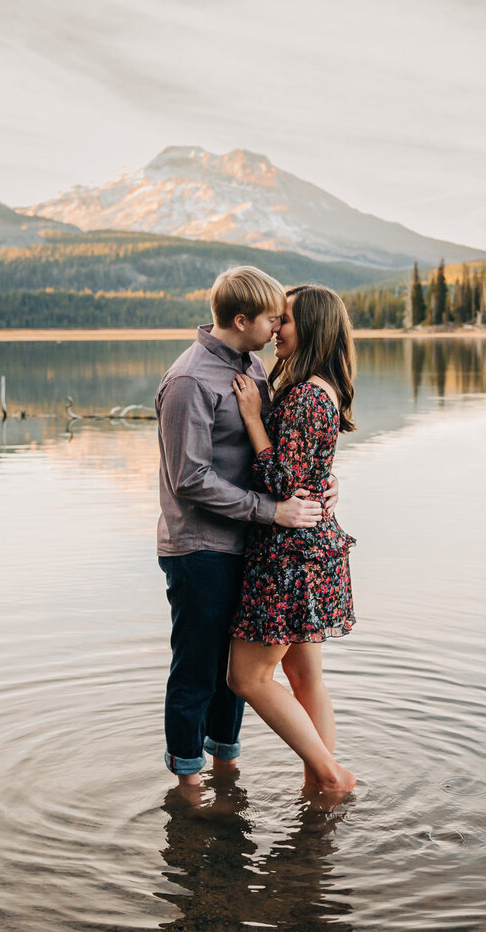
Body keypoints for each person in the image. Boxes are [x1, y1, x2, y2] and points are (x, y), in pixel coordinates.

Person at [156, 267, 332, 792]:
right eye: (273, 317)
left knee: (237, 671)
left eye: (284, 318)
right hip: (200, 548)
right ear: (242, 320)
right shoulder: (189, 381)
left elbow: (284, 451)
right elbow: (189, 479)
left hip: (248, 544)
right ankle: (188, 787)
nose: (279, 327)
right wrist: (270, 511)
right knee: (197, 670)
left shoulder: (252, 364)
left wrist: (325, 481)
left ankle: (226, 775)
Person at [226, 284, 359, 796]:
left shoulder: (305, 396)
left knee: (248, 679)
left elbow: (284, 483)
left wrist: (255, 419)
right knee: (306, 681)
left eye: (284, 320)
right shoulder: (320, 388)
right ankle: (318, 786)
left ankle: (330, 776)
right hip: (309, 549)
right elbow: (311, 473)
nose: (274, 329)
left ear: (313, 328)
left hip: (289, 555)